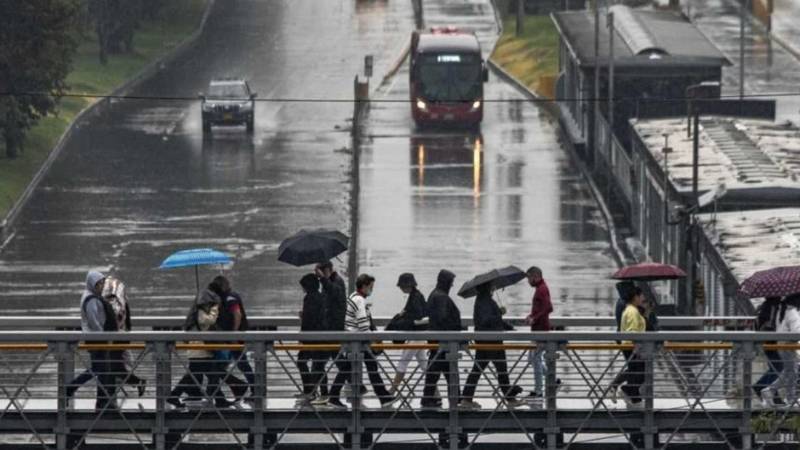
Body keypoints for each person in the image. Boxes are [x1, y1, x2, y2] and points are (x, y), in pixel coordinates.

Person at [326, 274, 398, 409]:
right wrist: (374, 341)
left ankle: (334, 396)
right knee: (368, 367)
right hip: (358, 342)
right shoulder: (359, 300)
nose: (372, 290)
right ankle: (382, 397)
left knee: (355, 368)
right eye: (371, 287)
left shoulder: (353, 296)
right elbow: (363, 326)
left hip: (352, 341)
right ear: (364, 286)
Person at [168, 285, 233, 410]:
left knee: (201, 374)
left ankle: (220, 399)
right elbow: (208, 321)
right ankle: (218, 399)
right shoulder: (202, 311)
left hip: (201, 349)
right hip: (199, 349)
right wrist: (215, 310)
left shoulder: (199, 310)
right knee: (209, 374)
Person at [460, 283, 522, 410]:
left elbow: (493, 319)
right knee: (500, 370)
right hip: (490, 343)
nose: (494, 288)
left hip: (487, 342)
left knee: (481, 370)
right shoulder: (484, 302)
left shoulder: (484, 300)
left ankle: (467, 398)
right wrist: (499, 312)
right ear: (487, 288)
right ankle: (509, 398)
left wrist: (508, 327)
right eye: (492, 287)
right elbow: (486, 320)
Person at [67, 271, 118, 410]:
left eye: (102, 283)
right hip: (96, 340)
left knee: (102, 369)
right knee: (100, 369)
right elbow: (94, 322)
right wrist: (104, 337)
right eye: (99, 283)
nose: (101, 286)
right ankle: (71, 388)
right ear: (92, 284)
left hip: (97, 339)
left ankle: (102, 401)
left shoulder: (91, 296)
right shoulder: (91, 300)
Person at [421, 269, 462, 409]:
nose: (451, 286)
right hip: (444, 342)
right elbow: (444, 318)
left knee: (436, 372)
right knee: (449, 374)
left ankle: (428, 398)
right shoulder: (442, 297)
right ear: (446, 282)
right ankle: (456, 400)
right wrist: (457, 329)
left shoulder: (434, 294)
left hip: (437, 342)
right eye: (451, 283)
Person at [212, 276, 254, 408]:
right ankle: (246, 388)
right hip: (228, 337)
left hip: (232, 338)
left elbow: (237, 315)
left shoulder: (230, 298)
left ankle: (252, 389)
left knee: (237, 364)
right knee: (237, 364)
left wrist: (234, 333)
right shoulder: (228, 297)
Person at [103, 276, 146, 398]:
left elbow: (112, 320)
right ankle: (111, 396)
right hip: (122, 336)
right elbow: (127, 322)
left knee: (112, 367)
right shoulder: (122, 301)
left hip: (115, 338)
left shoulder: (112, 302)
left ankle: (136, 382)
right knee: (115, 366)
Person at [315, 260, 348, 403]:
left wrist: (323, 278)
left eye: (320, 272)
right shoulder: (329, 283)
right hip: (328, 329)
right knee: (337, 363)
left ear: (327, 269)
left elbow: (334, 293)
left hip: (333, 330)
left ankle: (325, 394)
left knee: (319, 363)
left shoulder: (336, 281)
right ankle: (329, 394)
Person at [390, 273, 429, 392]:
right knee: (424, 364)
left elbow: (417, 315)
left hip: (416, 335)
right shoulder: (416, 295)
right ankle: (434, 392)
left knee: (403, 361)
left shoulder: (415, 297)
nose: (400, 288)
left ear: (407, 285)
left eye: (401, 286)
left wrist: (405, 317)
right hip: (420, 334)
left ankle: (392, 391)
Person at [610, 286, 647, 409]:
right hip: (631, 346)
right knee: (641, 372)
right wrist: (636, 346)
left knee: (637, 371)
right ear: (635, 297)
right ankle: (625, 389)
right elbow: (632, 330)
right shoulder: (632, 311)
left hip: (630, 345)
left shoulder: (631, 309)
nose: (643, 298)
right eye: (641, 295)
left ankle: (633, 397)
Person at [761, 293, 800, 407]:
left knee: (791, 371)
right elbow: (797, 331)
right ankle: (787, 398)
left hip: (781, 344)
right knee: (792, 372)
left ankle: (773, 393)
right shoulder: (792, 313)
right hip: (788, 346)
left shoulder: (782, 310)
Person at [296, 273, 329, 402]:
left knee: (302, 362)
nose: (302, 289)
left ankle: (309, 390)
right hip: (320, 336)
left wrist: (302, 337)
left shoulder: (309, 298)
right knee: (318, 365)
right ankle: (321, 392)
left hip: (311, 337)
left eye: (303, 286)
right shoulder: (321, 297)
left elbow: (309, 320)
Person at [525, 266, 552, 401]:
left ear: (536, 276)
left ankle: (538, 391)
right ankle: (553, 379)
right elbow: (541, 308)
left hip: (541, 330)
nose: (528, 281)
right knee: (532, 359)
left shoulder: (542, 289)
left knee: (535, 359)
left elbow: (548, 307)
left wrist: (534, 318)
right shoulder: (540, 288)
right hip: (538, 329)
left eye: (529, 278)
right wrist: (531, 316)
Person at [752, 297, 783, 405]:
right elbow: (772, 324)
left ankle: (775, 396)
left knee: (775, 367)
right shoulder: (773, 306)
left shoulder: (764, 306)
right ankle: (761, 386)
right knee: (779, 367)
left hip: (766, 341)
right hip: (772, 341)